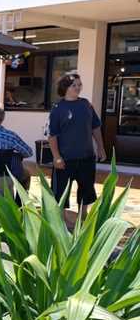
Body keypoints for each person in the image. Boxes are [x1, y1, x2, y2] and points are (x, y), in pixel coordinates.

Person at [48, 73, 106, 217]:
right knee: (60, 193)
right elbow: (51, 134)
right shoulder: (57, 108)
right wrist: (56, 157)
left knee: (86, 190)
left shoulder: (86, 105)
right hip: (65, 160)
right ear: (65, 87)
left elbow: (95, 127)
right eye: (74, 85)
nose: (78, 87)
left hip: (86, 157)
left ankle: (82, 217)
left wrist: (100, 147)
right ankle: (59, 220)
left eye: (79, 85)